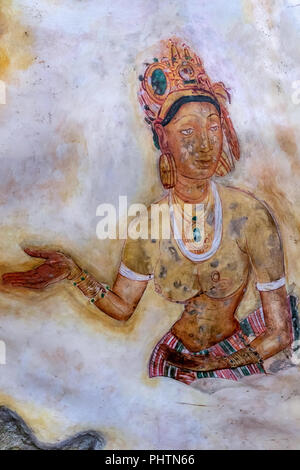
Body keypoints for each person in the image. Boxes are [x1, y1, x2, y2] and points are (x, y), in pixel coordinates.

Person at [2, 39, 295, 385]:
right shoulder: (149, 225)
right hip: (171, 363)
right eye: (187, 131)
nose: (204, 145)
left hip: (240, 359)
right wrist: (73, 273)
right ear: (162, 137)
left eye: (213, 128)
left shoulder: (251, 216)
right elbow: (122, 307)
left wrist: (216, 366)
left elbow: (280, 332)